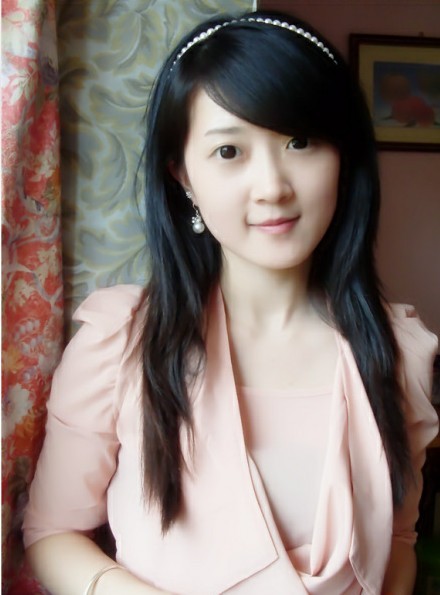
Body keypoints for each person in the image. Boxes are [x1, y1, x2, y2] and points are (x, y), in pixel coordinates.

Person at [23, 9, 438, 595]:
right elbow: (53, 532)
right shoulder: (120, 341)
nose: (272, 187)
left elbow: (398, 541)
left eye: (300, 141)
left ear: (343, 159)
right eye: (228, 152)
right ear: (182, 176)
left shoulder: (399, 353)